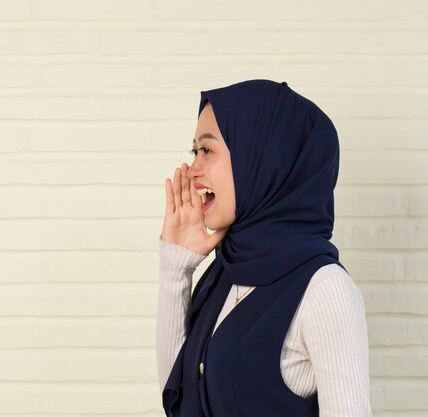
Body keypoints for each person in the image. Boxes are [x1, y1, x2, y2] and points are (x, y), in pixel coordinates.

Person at [156, 79, 372, 417]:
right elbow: (182, 401)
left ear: (261, 158)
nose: (192, 169)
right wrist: (176, 267)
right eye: (194, 151)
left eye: (207, 150)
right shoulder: (226, 272)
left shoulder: (325, 290)